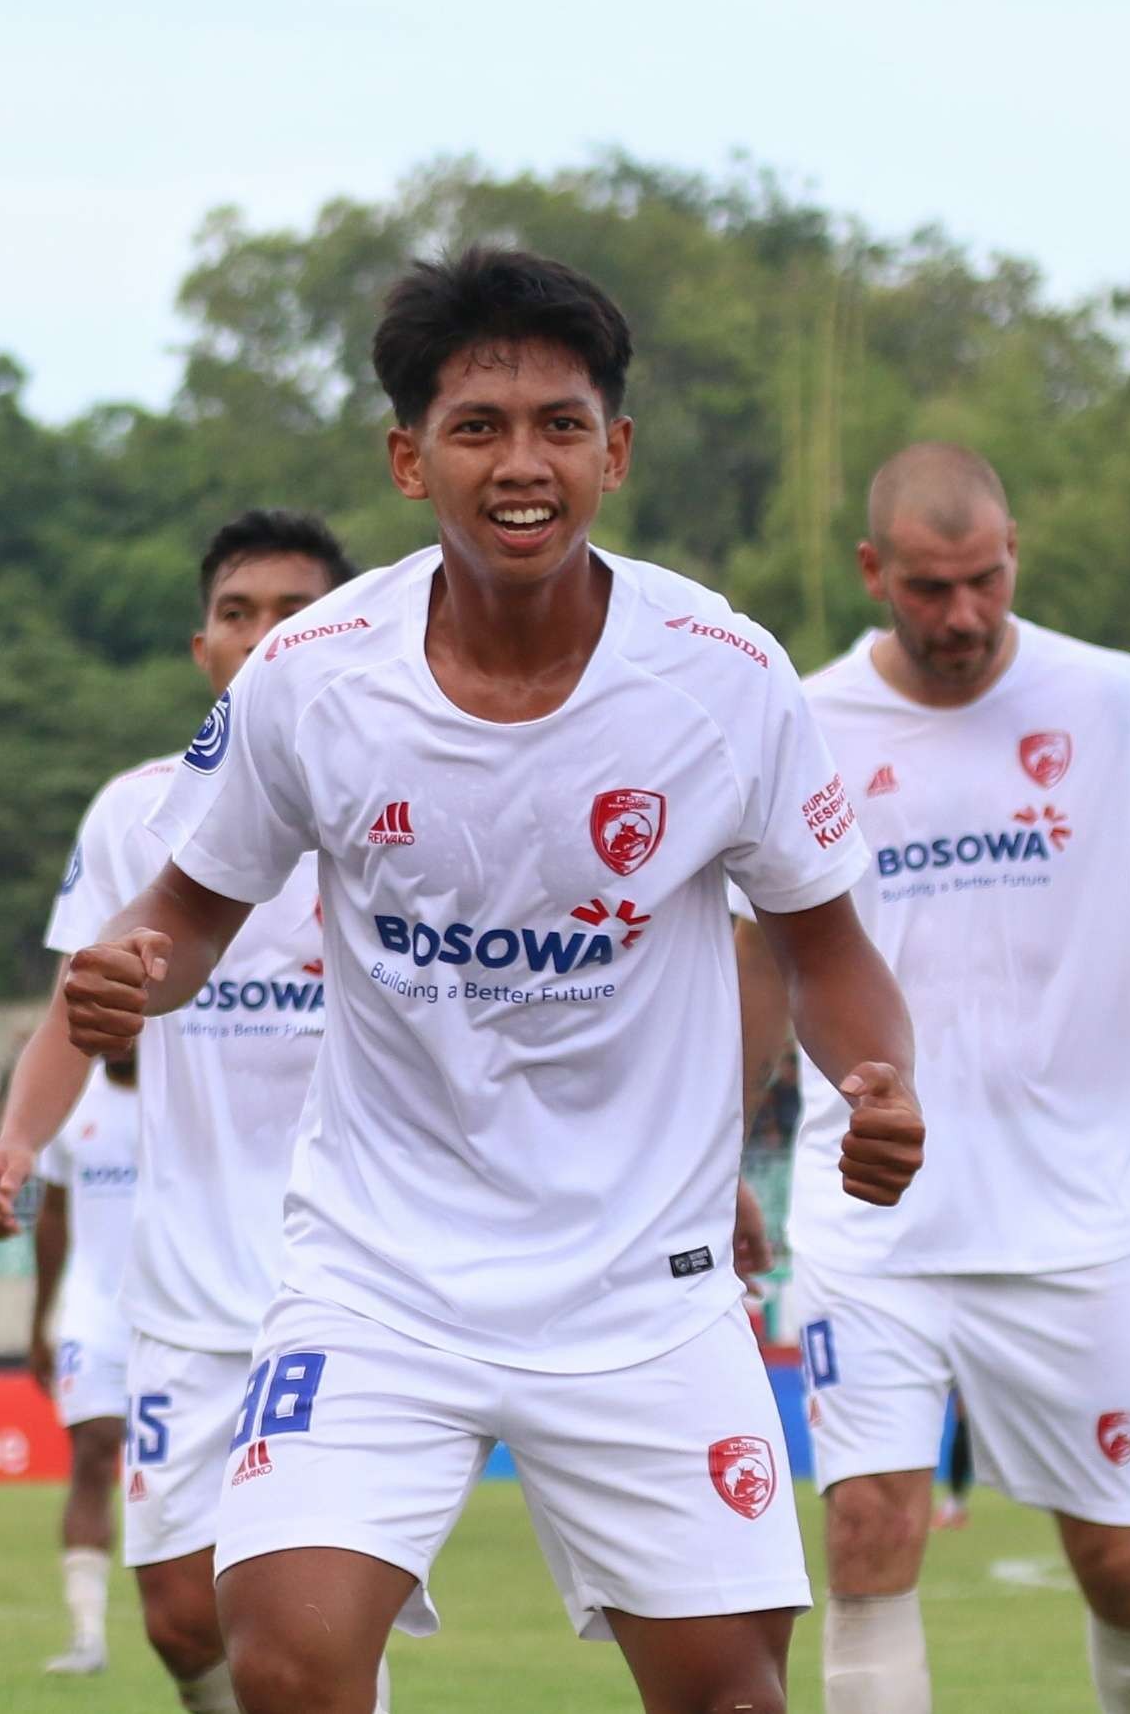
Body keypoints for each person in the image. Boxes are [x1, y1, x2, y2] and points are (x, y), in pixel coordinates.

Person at [61, 247, 927, 1714]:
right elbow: (185, 906)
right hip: (375, 1273)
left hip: (640, 1284)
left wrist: (875, 1078)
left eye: (558, 426)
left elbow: (825, 945)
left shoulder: (723, 675)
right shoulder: (314, 672)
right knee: (281, 1656)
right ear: (409, 458)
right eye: (476, 428)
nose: (520, 464)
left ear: (615, 451)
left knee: (730, 1694)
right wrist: (132, 972)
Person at [753, 440, 1130, 1714]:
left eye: (984, 579)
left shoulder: (1114, 698)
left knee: (1120, 1563)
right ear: (873, 572)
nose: (961, 614)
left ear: (1015, 555)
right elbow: (765, 960)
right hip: (873, 1209)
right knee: (865, 1540)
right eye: (928, 587)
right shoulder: (803, 722)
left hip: (1073, 1208)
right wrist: (704, 1144)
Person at [0, 508, 357, 1712]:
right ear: (203, 648)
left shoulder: (394, 810)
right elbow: (70, 1009)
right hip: (183, 1287)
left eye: (294, 612)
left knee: (309, 1623)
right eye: (238, 613)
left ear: (345, 631)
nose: (263, 635)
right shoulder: (132, 815)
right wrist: (19, 1138)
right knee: (184, 1617)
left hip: (348, 1278)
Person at [25, 1051, 138, 1673]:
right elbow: (53, 1215)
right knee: (93, 1452)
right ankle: (88, 1636)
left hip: (187, 1312)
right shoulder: (73, 1099)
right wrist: (39, 1319)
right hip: (93, 1313)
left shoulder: (191, 1088)